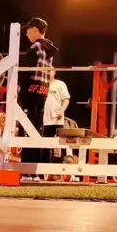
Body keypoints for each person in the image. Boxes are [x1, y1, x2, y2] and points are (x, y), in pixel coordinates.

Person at [18, 17, 59, 164]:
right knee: (37, 126)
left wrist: (18, 84)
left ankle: (27, 163)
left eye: (28, 30)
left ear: (35, 30)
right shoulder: (49, 50)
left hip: (30, 89)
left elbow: (24, 71)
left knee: (27, 126)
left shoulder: (36, 47)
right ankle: (37, 163)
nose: (27, 34)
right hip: (43, 90)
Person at [43, 69, 71, 158]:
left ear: (54, 72)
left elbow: (66, 100)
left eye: (50, 71)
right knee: (45, 146)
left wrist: (61, 111)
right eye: (46, 71)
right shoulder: (42, 85)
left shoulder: (60, 84)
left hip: (56, 119)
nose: (48, 72)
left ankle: (60, 162)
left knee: (59, 145)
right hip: (45, 120)